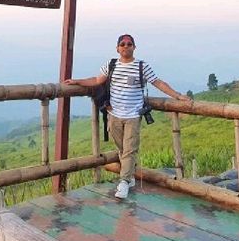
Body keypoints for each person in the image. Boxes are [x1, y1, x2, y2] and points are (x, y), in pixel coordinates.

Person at [66, 33, 190, 199]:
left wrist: (178, 96)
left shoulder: (141, 66)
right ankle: (130, 176)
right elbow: (97, 80)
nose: (126, 46)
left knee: (129, 149)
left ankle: (123, 182)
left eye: (129, 44)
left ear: (134, 47)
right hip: (113, 114)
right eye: (122, 44)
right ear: (117, 48)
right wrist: (77, 81)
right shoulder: (111, 65)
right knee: (122, 148)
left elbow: (158, 82)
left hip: (133, 115)